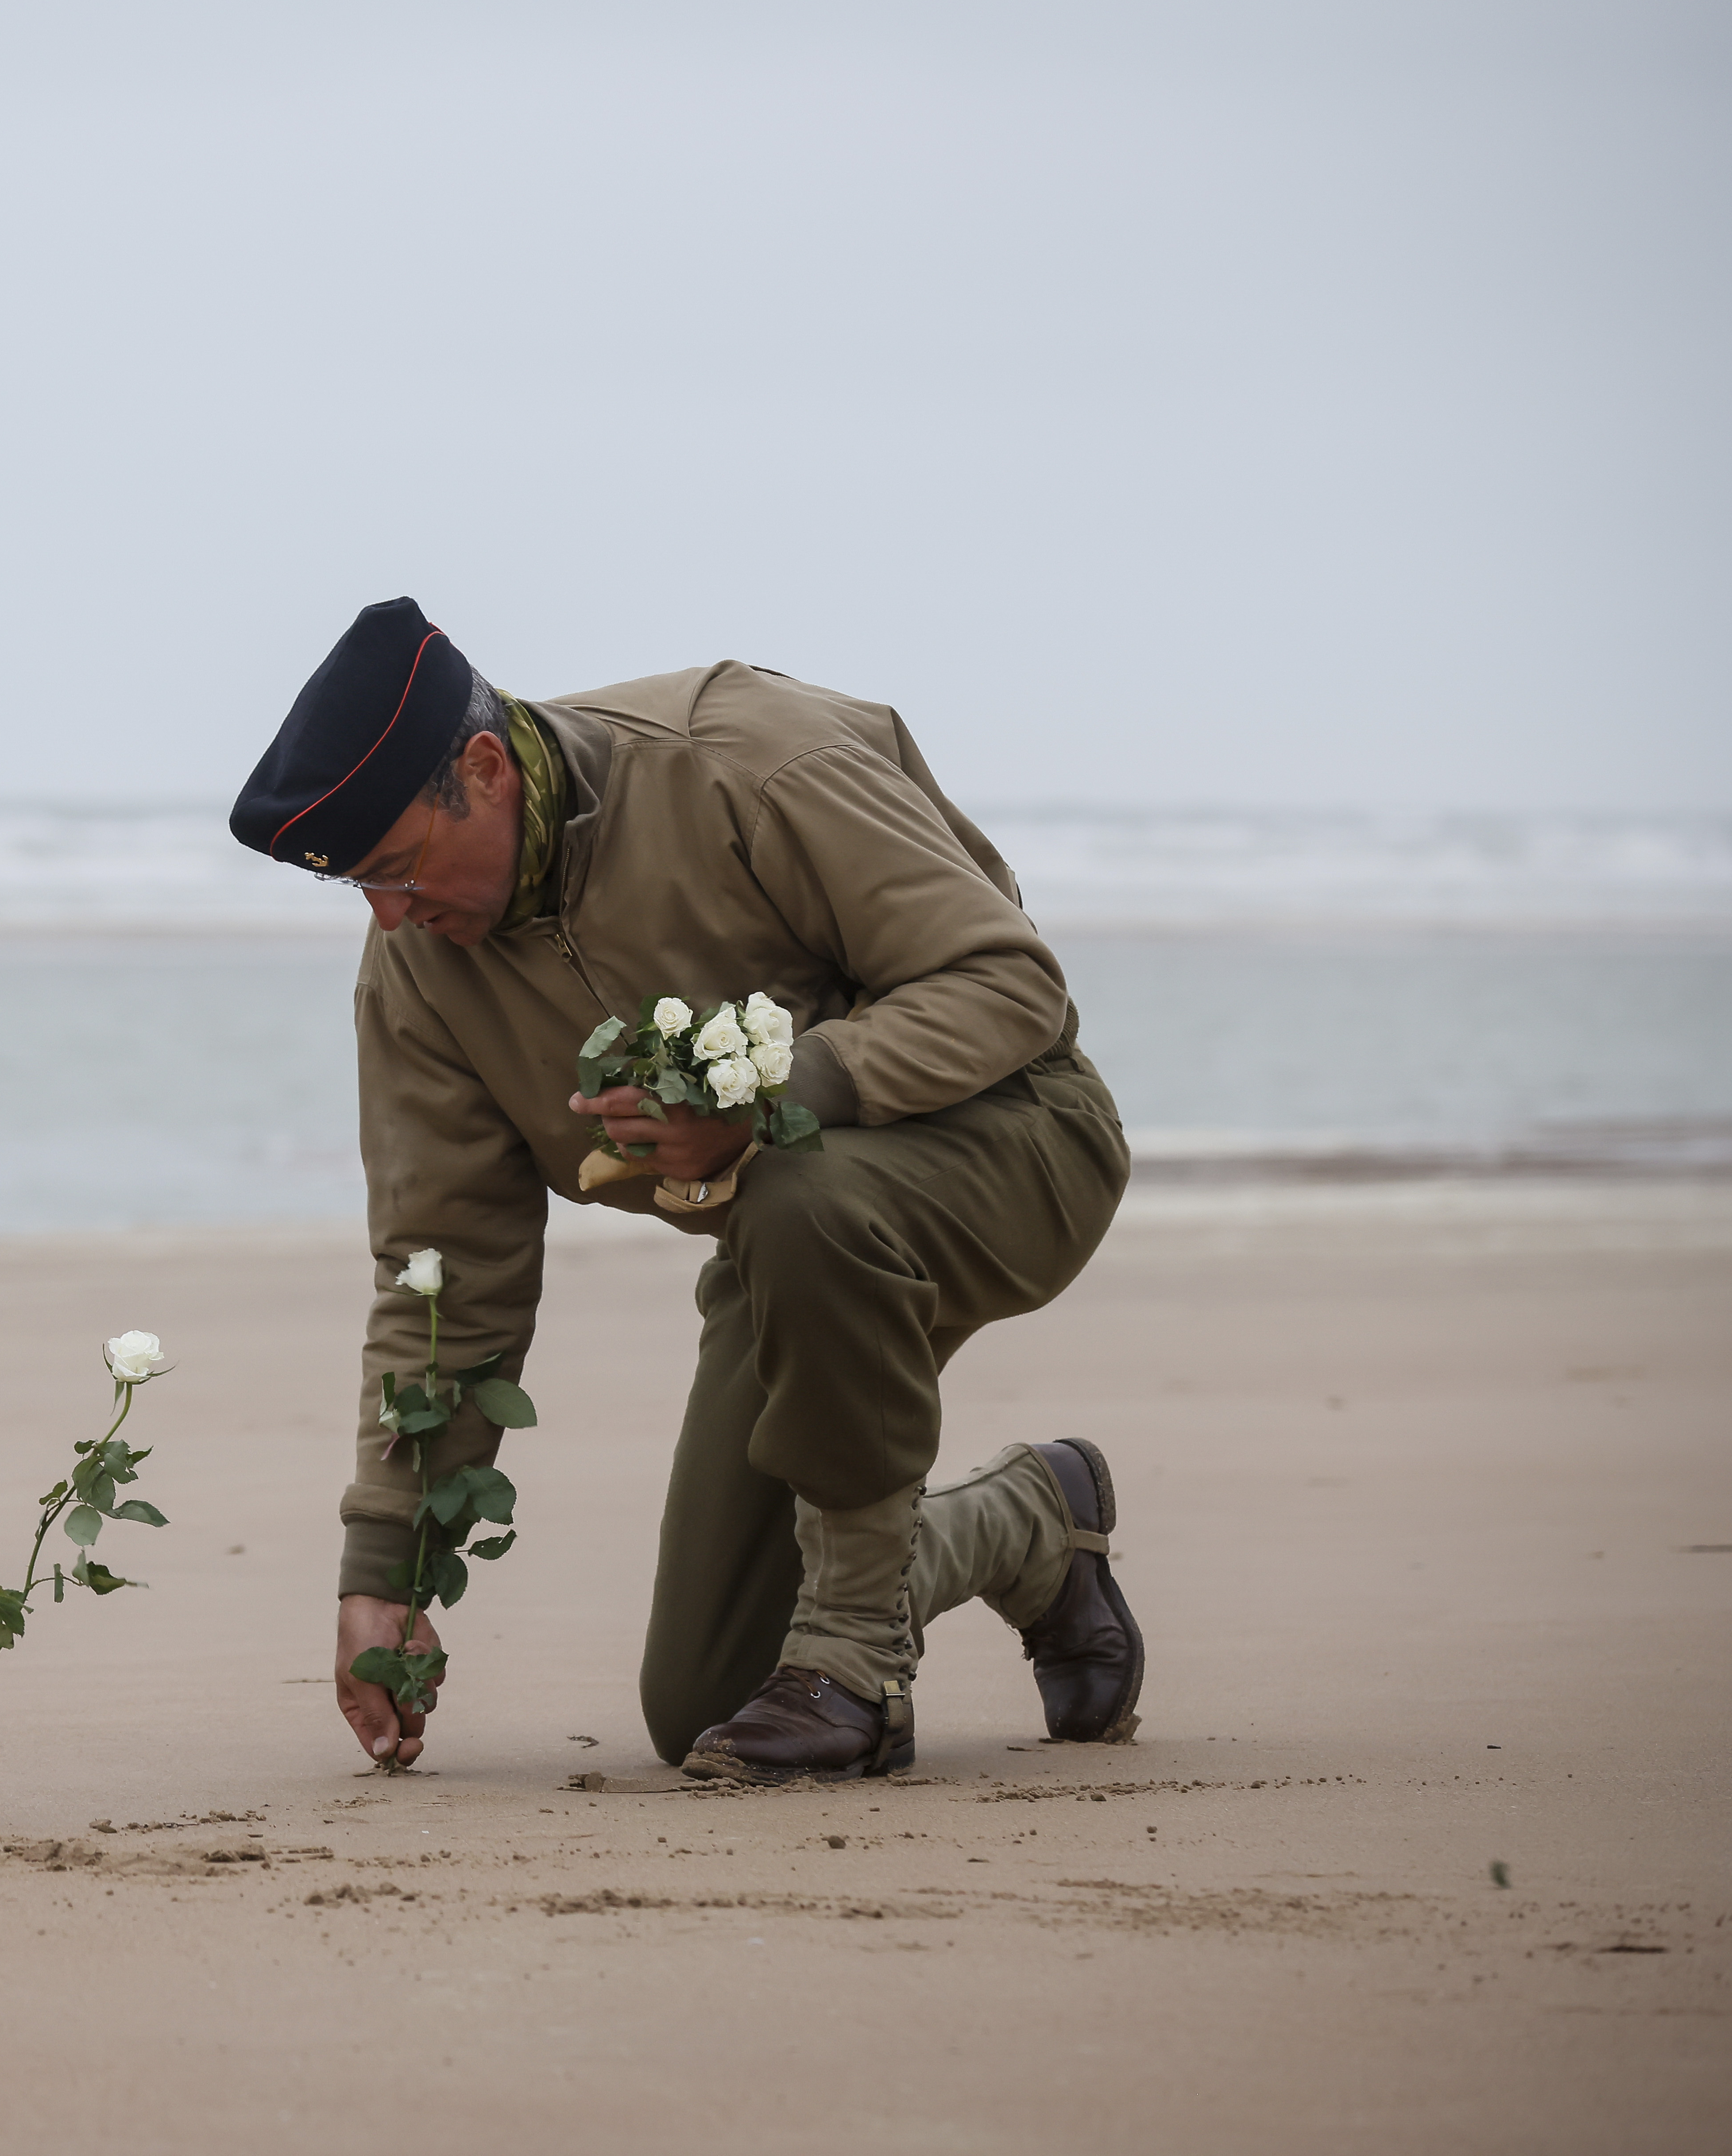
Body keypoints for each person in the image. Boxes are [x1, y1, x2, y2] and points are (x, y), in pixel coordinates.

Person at [228, 599, 1143, 1780]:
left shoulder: (745, 762)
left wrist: (777, 1095)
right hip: (794, 1249)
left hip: (1021, 1143)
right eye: (359, 889)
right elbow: (445, 1266)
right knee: (710, 1698)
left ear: (486, 768)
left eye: (399, 869)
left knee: (798, 1191)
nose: (393, 918)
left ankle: (857, 1664)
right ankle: (1032, 1526)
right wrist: (385, 1569)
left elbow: (1011, 985)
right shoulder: (419, 967)